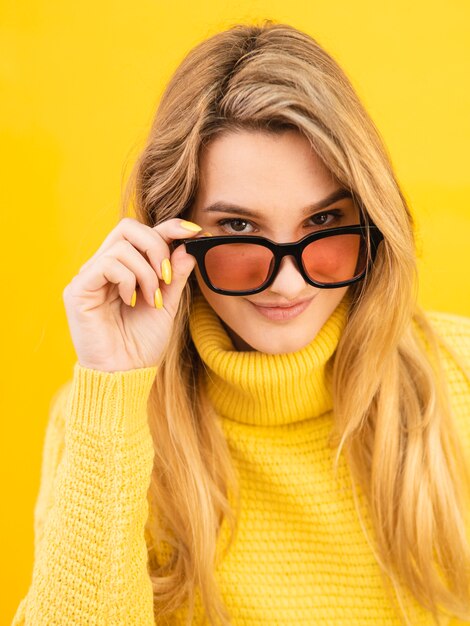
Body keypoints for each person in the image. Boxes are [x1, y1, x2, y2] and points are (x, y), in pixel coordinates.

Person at [12, 20, 470, 626]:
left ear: (371, 221)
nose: (288, 282)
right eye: (238, 230)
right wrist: (115, 390)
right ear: (174, 234)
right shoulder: (100, 417)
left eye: (324, 223)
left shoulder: (459, 375)